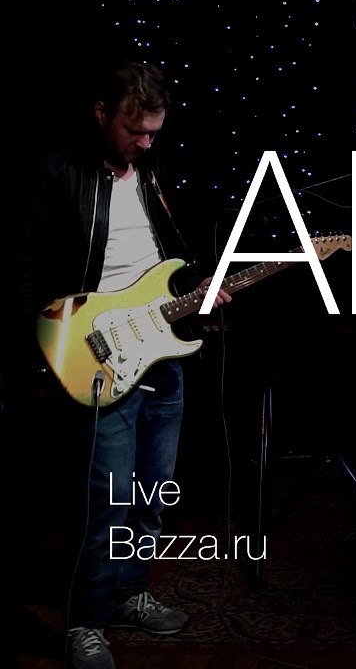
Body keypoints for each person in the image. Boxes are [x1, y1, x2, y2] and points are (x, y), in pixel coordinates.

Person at [11, 61, 229, 669]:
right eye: (135, 131)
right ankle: (85, 621)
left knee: (152, 490)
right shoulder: (56, 173)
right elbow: (22, 265)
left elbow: (165, 260)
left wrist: (198, 288)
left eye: (155, 132)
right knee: (105, 499)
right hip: (96, 354)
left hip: (160, 350)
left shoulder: (154, 173)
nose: (146, 143)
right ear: (102, 113)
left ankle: (130, 593)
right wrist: (40, 355)